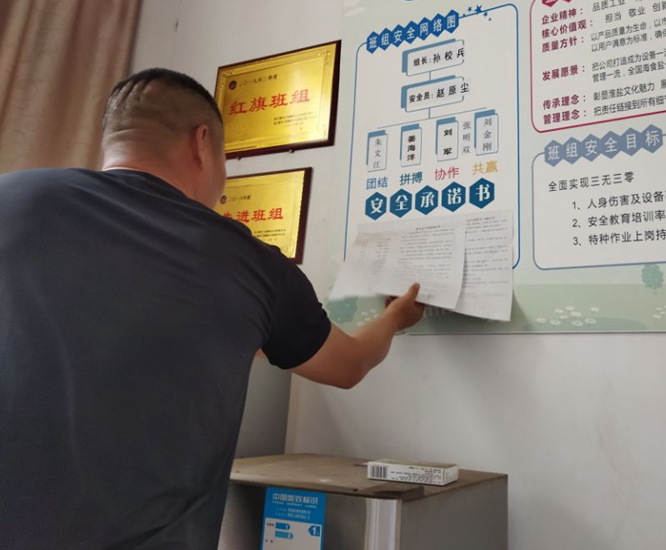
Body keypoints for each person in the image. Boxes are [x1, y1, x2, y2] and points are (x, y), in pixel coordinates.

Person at [0, 68, 424, 549]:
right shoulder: (249, 262)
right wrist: (397, 316)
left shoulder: (11, 199)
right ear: (202, 143)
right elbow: (348, 366)